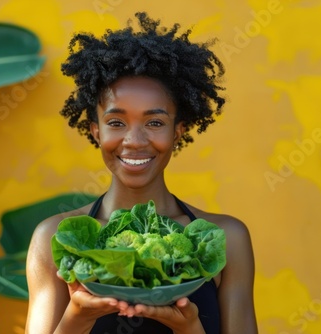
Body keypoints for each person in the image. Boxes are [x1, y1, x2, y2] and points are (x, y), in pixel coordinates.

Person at [25, 12, 257, 334]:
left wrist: (189, 328)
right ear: (95, 130)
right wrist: (76, 318)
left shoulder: (225, 239)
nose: (134, 141)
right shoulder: (54, 238)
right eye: (116, 123)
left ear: (179, 131)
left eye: (155, 123)